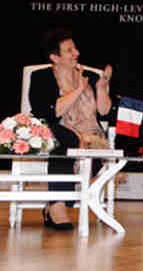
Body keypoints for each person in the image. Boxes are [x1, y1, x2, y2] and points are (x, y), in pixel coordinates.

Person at [29, 28, 113, 230]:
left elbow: (104, 112)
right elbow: (49, 113)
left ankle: (56, 205)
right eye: (69, 50)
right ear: (54, 57)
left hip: (91, 136)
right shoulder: (41, 77)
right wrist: (78, 90)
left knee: (72, 143)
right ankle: (58, 204)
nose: (76, 53)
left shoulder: (90, 77)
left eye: (75, 48)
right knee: (61, 140)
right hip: (58, 131)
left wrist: (102, 88)